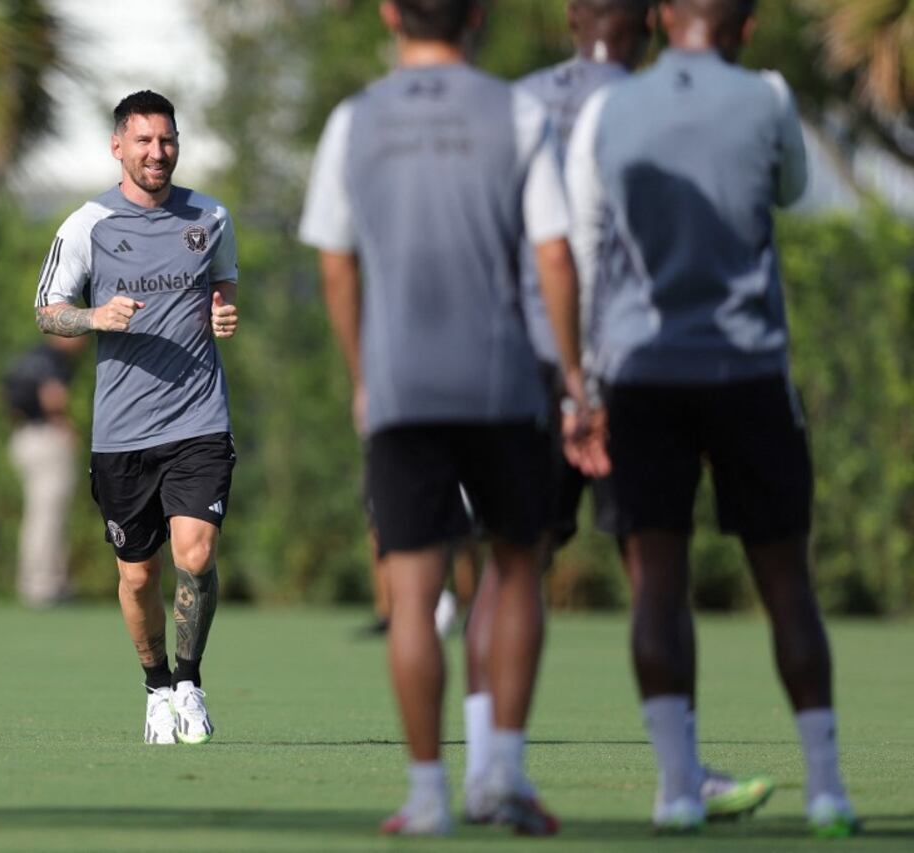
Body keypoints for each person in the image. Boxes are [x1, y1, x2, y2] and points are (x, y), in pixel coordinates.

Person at [465, 0, 775, 826]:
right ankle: (679, 774)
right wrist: (586, 376)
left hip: (518, 361)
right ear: (647, 22)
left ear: (570, 18)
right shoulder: (644, 107)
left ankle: (489, 769)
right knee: (653, 562)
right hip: (623, 363)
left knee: (509, 562)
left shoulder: (514, 100)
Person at [300, 0, 599, 835]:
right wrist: (574, 375)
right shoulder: (519, 110)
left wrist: (365, 375)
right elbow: (552, 251)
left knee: (413, 592)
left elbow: (334, 263)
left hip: (402, 393)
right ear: (479, 16)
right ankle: (501, 771)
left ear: (392, 14)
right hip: (503, 385)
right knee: (514, 569)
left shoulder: (352, 121)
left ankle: (427, 792)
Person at [567, 0, 858, 836]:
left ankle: (678, 790)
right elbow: (792, 192)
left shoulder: (608, 109)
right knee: (787, 582)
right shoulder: (769, 97)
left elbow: (585, 250)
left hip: (641, 375)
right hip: (751, 373)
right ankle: (830, 789)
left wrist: (580, 385)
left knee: (658, 584)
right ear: (748, 23)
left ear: (660, 17)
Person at [34, 90, 240, 746]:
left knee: (197, 553)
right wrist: (94, 317)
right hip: (122, 435)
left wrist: (223, 311)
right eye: (145, 140)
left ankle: (189, 680)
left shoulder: (210, 216)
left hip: (199, 419)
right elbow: (47, 308)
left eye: (168, 139)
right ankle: (155, 687)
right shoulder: (86, 224)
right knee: (137, 575)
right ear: (118, 146)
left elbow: (223, 283)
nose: (158, 152)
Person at [3, 335, 85, 607]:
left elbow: (4, 395)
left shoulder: (28, 354)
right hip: (46, 439)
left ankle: (41, 582)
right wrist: (64, 425)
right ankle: (43, 586)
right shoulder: (53, 359)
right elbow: (53, 396)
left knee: (38, 514)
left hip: (23, 437)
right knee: (48, 516)